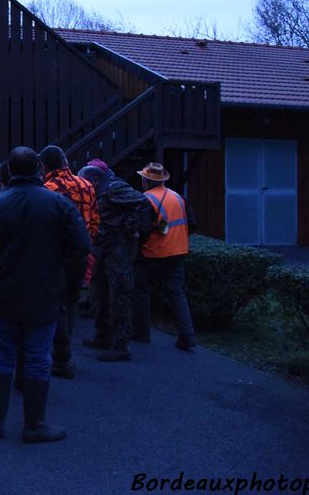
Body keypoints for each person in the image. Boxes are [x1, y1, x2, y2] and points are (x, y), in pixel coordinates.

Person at [0, 147, 90, 443]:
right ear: (38, 168)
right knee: (37, 357)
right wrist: (66, 283)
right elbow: (81, 248)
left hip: (5, 294)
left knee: (2, 356)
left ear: (8, 169)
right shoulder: (58, 205)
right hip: (44, 293)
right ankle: (34, 424)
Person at [39, 145, 99, 379]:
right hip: (80, 254)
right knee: (71, 302)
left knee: (56, 305)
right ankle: (65, 348)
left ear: (44, 166)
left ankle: (60, 356)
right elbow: (95, 222)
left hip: (57, 255)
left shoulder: (48, 189)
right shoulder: (87, 185)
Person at [78, 163, 148, 362]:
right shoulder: (99, 190)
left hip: (119, 249)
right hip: (104, 248)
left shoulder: (114, 187)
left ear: (96, 180)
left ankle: (120, 345)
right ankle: (102, 336)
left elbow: (141, 202)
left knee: (119, 295)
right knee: (98, 290)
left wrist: (130, 227)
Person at [132, 162, 197, 352]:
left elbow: (142, 229)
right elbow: (192, 224)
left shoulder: (145, 199)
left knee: (142, 292)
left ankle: (141, 333)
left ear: (146, 180)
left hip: (151, 253)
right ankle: (187, 335)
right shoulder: (179, 197)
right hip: (177, 252)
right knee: (177, 293)